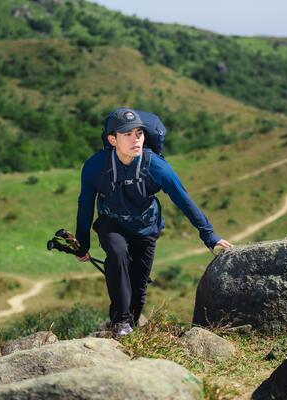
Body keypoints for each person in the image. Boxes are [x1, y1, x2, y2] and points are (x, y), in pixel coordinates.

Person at [75, 107, 233, 337]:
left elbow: (183, 199)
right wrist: (82, 243)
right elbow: (85, 204)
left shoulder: (156, 167)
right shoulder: (95, 167)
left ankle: (128, 326)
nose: (135, 139)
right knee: (117, 255)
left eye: (138, 133)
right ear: (112, 140)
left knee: (138, 290)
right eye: (127, 134)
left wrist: (209, 236)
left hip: (145, 228)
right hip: (112, 224)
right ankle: (120, 322)